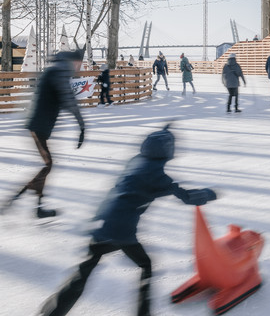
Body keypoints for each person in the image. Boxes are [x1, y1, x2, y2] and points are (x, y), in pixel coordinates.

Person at [36, 124, 217, 316]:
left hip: (100, 223)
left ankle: (51, 312)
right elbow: (187, 197)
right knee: (145, 265)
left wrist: (164, 130)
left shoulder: (135, 161)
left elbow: (153, 150)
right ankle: (143, 312)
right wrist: (209, 194)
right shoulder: (159, 177)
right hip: (121, 231)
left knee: (85, 270)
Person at [1, 49, 85, 219]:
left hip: (40, 125)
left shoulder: (56, 69)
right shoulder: (60, 71)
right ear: (74, 61)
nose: (80, 68)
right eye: (79, 63)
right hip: (39, 126)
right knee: (48, 164)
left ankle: (36, 205)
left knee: (48, 165)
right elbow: (68, 98)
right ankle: (18, 197)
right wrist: (82, 126)